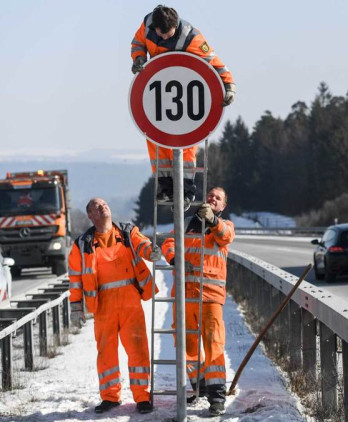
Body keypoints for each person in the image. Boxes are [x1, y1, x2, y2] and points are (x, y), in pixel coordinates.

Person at [131, 5, 236, 206]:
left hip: (186, 97)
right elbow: (137, 43)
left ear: (175, 26)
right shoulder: (147, 24)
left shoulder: (192, 37)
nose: (163, 39)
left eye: (168, 36)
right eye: (160, 35)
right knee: (155, 140)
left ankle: (186, 190)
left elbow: (214, 62)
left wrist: (229, 86)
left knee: (186, 146)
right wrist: (139, 59)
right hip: (158, 92)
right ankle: (165, 187)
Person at [67, 198, 161, 414]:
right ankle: (110, 397)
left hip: (130, 301)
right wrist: (75, 305)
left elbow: (143, 244)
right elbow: (74, 278)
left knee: (138, 349)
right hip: (103, 305)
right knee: (106, 352)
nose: (102, 207)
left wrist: (151, 252)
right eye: (96, 207)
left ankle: (142, 397)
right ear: (91, 216)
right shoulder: (82, 244)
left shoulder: (127, 232)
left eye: (104, 204)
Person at [162, 187, 234, 416]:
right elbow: (169, 242)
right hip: (185, 295)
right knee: (185, 345)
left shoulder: (225, 226)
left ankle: (217, 398)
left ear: (222, 207)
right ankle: (200, 385)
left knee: (214, 346)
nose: (213, 198)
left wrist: (212, 220)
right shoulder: (185, 224)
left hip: (210, 297)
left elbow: (225, 236)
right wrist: (174, 258)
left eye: (218, 198)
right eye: (211, 195)